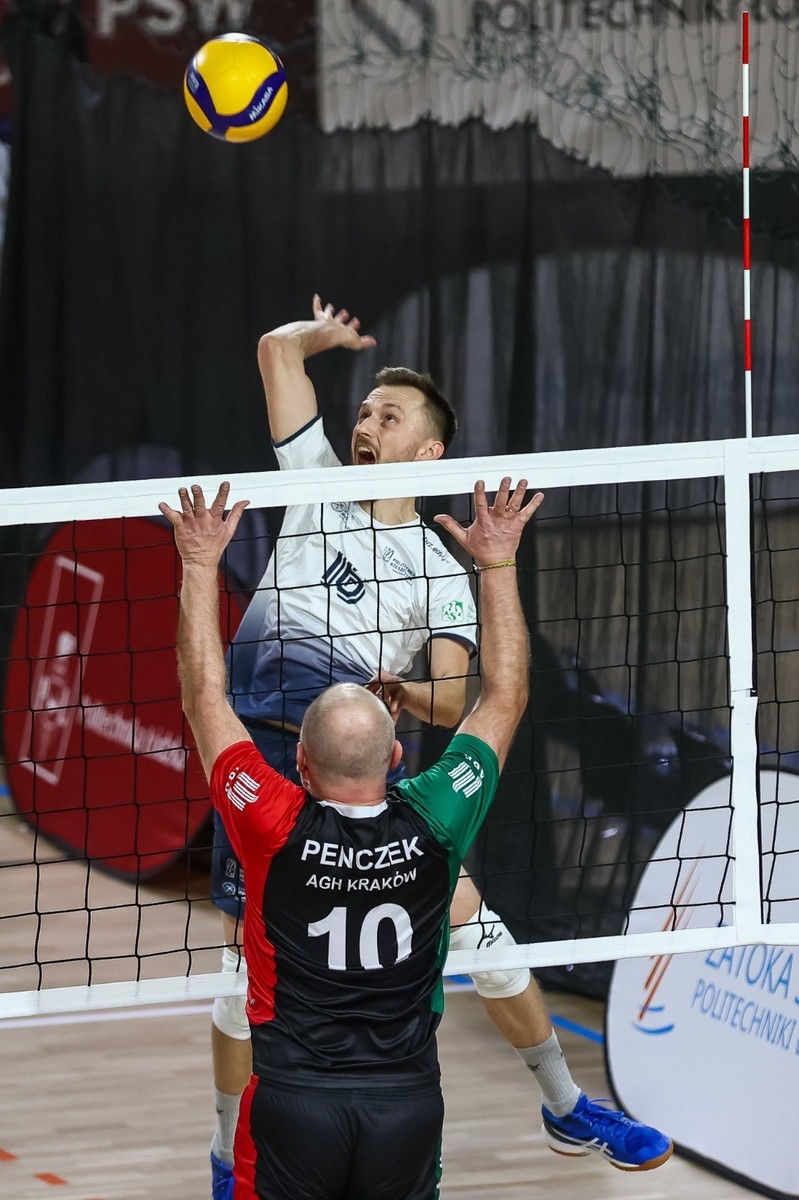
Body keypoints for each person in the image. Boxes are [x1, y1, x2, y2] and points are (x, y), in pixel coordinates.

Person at [207, 296, 673, 1197]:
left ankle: (565, 1103)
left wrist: (401, 693)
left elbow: (457, 700)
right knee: (239, 976)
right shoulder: (313, 481)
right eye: (363, 410)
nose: (364, 423)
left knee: (482, 930)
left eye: (389, 416)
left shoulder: (440, 570)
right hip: (266, 762)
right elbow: (273, 350)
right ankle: (228, 1155)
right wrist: (322, 339)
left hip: (359, 775)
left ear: (428, 453)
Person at [161, 474, 540, 1200]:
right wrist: (497, 562)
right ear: (397, 757)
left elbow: (203, 697)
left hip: (292, 1106)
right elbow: (505, 697)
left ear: (299, 765)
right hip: (406, 1109)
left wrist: (200, 562)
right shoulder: (435, 819)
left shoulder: (270, 822)